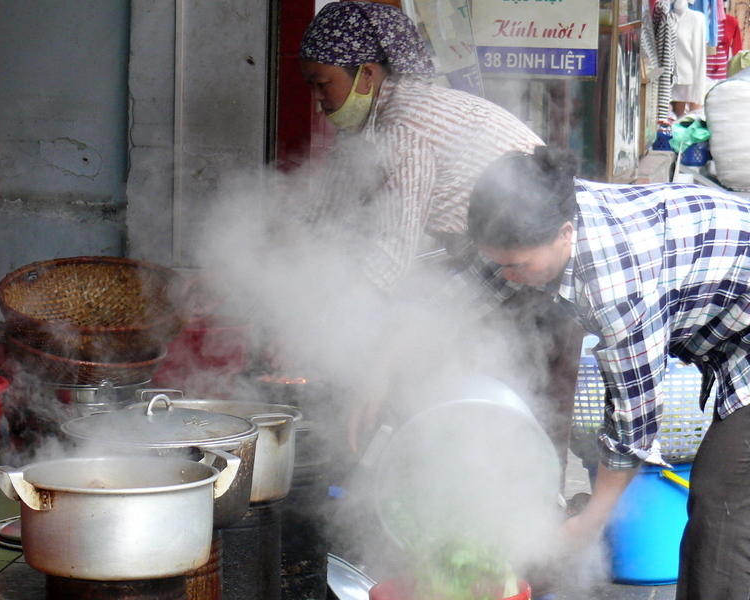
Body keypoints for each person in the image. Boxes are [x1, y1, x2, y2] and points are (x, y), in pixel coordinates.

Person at [298, 1, 585, 469]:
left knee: (515, 409)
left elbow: (393, 249)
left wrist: (329, 333)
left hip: (536, 264)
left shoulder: (404, 125)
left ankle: (527, 517)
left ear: (366, 76)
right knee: (461, 379)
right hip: (494, 262)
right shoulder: (377, 118)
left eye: (321, 82)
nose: (317, 98)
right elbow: (329, 212)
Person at [465, 145, 750, 600]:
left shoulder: (615, 285)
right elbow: (467, 287)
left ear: (564, 234)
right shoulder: (546, 208)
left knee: (724, 501)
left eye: (518, 265)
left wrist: (587, 524)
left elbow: (635, 423)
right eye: (501, 263)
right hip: (734, 322)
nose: (510, 276)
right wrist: (386, 367)